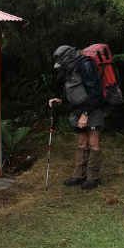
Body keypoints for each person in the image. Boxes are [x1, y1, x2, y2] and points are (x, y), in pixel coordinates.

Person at [48, 45, 105, 190]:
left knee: (93, 142)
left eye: (63, 63)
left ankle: (93, 178)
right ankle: (79, 175)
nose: (62, 66)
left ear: (68, 59)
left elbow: (96, 91)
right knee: (81, 141)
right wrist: (60, 100)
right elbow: (73, 89)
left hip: (91, 108)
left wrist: (85, 115)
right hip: (77, 109)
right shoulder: (71, 68)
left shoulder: (86, 65)